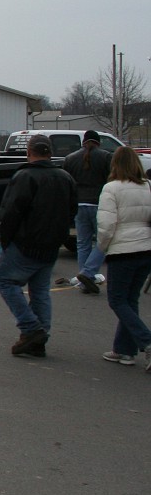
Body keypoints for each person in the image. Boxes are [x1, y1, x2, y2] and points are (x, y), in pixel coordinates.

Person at [0, 133, 78, 357]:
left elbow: (11, 211)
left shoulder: (25, 176)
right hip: (51, 244)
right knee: (40, 291)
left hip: (26, 242)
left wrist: (3, 237)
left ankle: (31, 328)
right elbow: (72, 209)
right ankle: (39, 337)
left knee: (4, 279)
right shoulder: (65, 177)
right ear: (49, 152)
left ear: (29, 152)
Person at [95, 146, 151, 369]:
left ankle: (146, 341)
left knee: (117, 300)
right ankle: (124, 350)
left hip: (123, 250)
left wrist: (103, 247)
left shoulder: (111, 188)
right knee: (130, 300)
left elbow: (106, 224)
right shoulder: (147, 186)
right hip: (146, 248)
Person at [62, 130, 112, 294]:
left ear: (83, 142)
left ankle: (85, 281)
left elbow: (67, 182)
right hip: (99, 204)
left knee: (82, 243)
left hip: (79, 204)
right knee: (103, 241)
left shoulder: (70, 159)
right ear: (98, 142)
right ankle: (87, 273)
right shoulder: (105, 157)